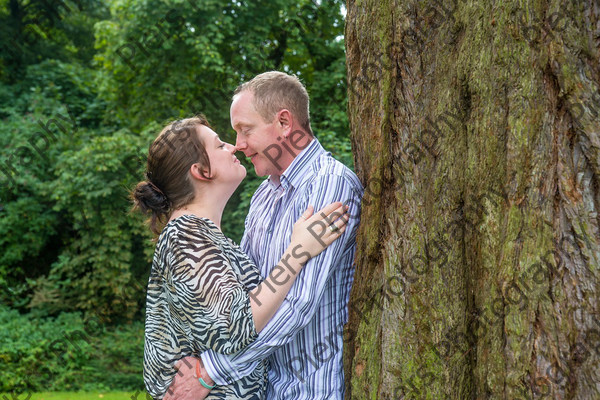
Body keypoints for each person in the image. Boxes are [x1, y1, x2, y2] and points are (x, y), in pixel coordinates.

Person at [167, 72, 364, 399]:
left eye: (245, 130)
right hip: (262, 388)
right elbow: (247, 296)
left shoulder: (330, 185)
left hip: (309, 390)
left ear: (284, 123)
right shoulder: (263, 195)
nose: (238, 144)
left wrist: (211, 371)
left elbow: (298, 305)